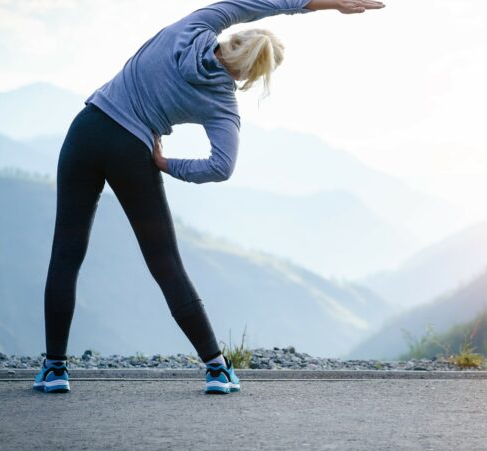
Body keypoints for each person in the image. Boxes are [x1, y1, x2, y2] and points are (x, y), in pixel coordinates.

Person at [34, 0, 386, 394]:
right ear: (253, 74)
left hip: (86, 129)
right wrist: (165, 164)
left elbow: (266, 3)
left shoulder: (196, 26)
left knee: (66, 254)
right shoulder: (223, 104)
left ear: (234, 33)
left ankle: (54, 369)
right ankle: (217, 369)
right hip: (132, 151)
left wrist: (324, 4)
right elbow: (222, 166)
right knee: (165, 263)